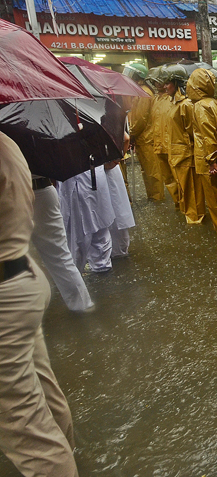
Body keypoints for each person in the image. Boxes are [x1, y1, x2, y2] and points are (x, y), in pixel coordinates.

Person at [0, 131, 79, 476]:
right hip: (21, 280)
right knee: (42, 395)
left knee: (26, 431)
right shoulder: (5, 141)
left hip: (6, 292)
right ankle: (71, 456)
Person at [30, 175, 95, 313]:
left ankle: (82, 307)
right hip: (38, 189)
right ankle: (83, 307)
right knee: (59, 256)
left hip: (32, 191)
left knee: (59, 256)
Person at [188, 68, 217, 235]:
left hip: (208, 159)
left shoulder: (200, 106)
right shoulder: (215, 103)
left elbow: (208, 134)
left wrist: (212, 160)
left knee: (215, 199)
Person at [165, 64, 205, 224]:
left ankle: (196, 218)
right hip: (176, 155)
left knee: (192, 191)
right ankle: (189, 214)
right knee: (184, 189)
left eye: (168, 83)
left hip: (186, 156)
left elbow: (194, 133)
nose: (165, 86)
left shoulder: (186, 105)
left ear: (177, 83)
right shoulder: (175, 104)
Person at [58, 166, 115, 273]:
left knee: (80, 235)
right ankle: (100, 267)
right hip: (87, 177)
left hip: (83, 179)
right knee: (96, 232)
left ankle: (76, 273)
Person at [126, 62, 163, 200]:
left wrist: (131, 134)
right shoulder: (141, 91)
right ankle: (153, 196)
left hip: (147, 138)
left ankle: (157, 197)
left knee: (152, 172)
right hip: (144, 138)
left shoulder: (143, 93)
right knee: (148, 170)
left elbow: (140, 119)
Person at [147, 66, 181, 207]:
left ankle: (184, 203)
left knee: (178, 177)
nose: (158, 84)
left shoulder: (174, 99)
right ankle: (177, 202)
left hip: (172, 145)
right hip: (159, 144)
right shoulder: (155, 99)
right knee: (168, 178)